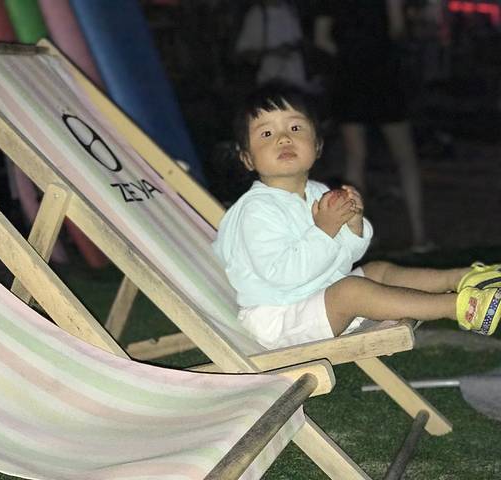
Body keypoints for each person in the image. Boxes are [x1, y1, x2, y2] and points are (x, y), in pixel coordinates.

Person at [212, 85, 500, 350]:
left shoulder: (317, 192)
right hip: (279, 318)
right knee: (351, 290)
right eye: (266, 134)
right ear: (247, 158)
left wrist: (353, 226)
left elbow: (343, 258)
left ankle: (463, 278)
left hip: (316, 296)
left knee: (378, 270)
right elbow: (283, 275)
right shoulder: (256, 211)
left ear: (317, 145)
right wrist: (325, 230)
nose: (284, 138)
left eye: (295, 127)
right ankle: (460, 307)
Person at [313, 0, 431, 252]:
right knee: (405, 158)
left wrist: (347, 55)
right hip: (383, 73)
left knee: (355, 158)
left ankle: (359, 236)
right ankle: (419, 235)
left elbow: (321, 39)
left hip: (350, 76)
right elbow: (397, 28)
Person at [235, 0, 313, 93]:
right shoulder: (256, 15)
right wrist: (274, 52)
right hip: (270, 86)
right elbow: (244, 53)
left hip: (297, 85)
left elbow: (299, 41)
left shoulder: (289, 10)